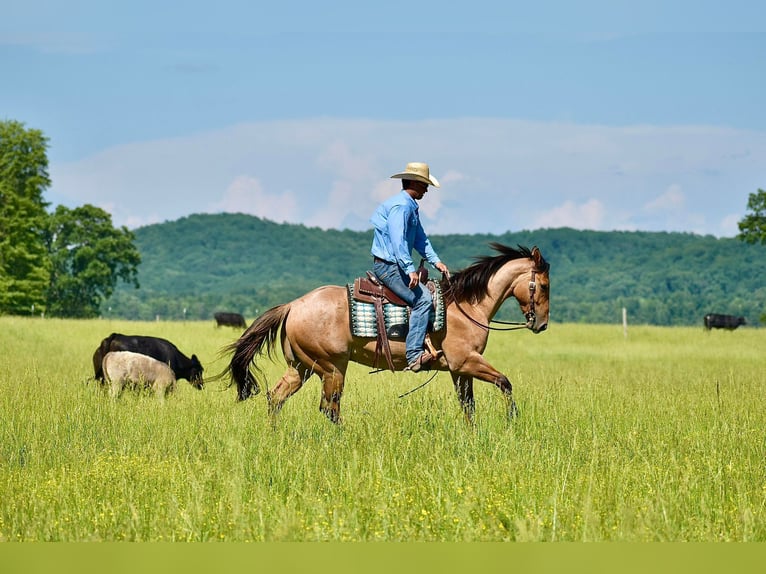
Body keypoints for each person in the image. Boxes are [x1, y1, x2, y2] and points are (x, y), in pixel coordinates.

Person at [370, 162, 450, 372]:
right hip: (389, 267)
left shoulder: (410, 206)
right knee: (423, 300)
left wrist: (436, 261)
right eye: (424, 184)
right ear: (414, 182)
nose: (427, 189)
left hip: (395, 265)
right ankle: (414, 355)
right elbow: (398, 241)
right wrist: (409, 268)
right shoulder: (402, 207)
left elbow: (420, 239)